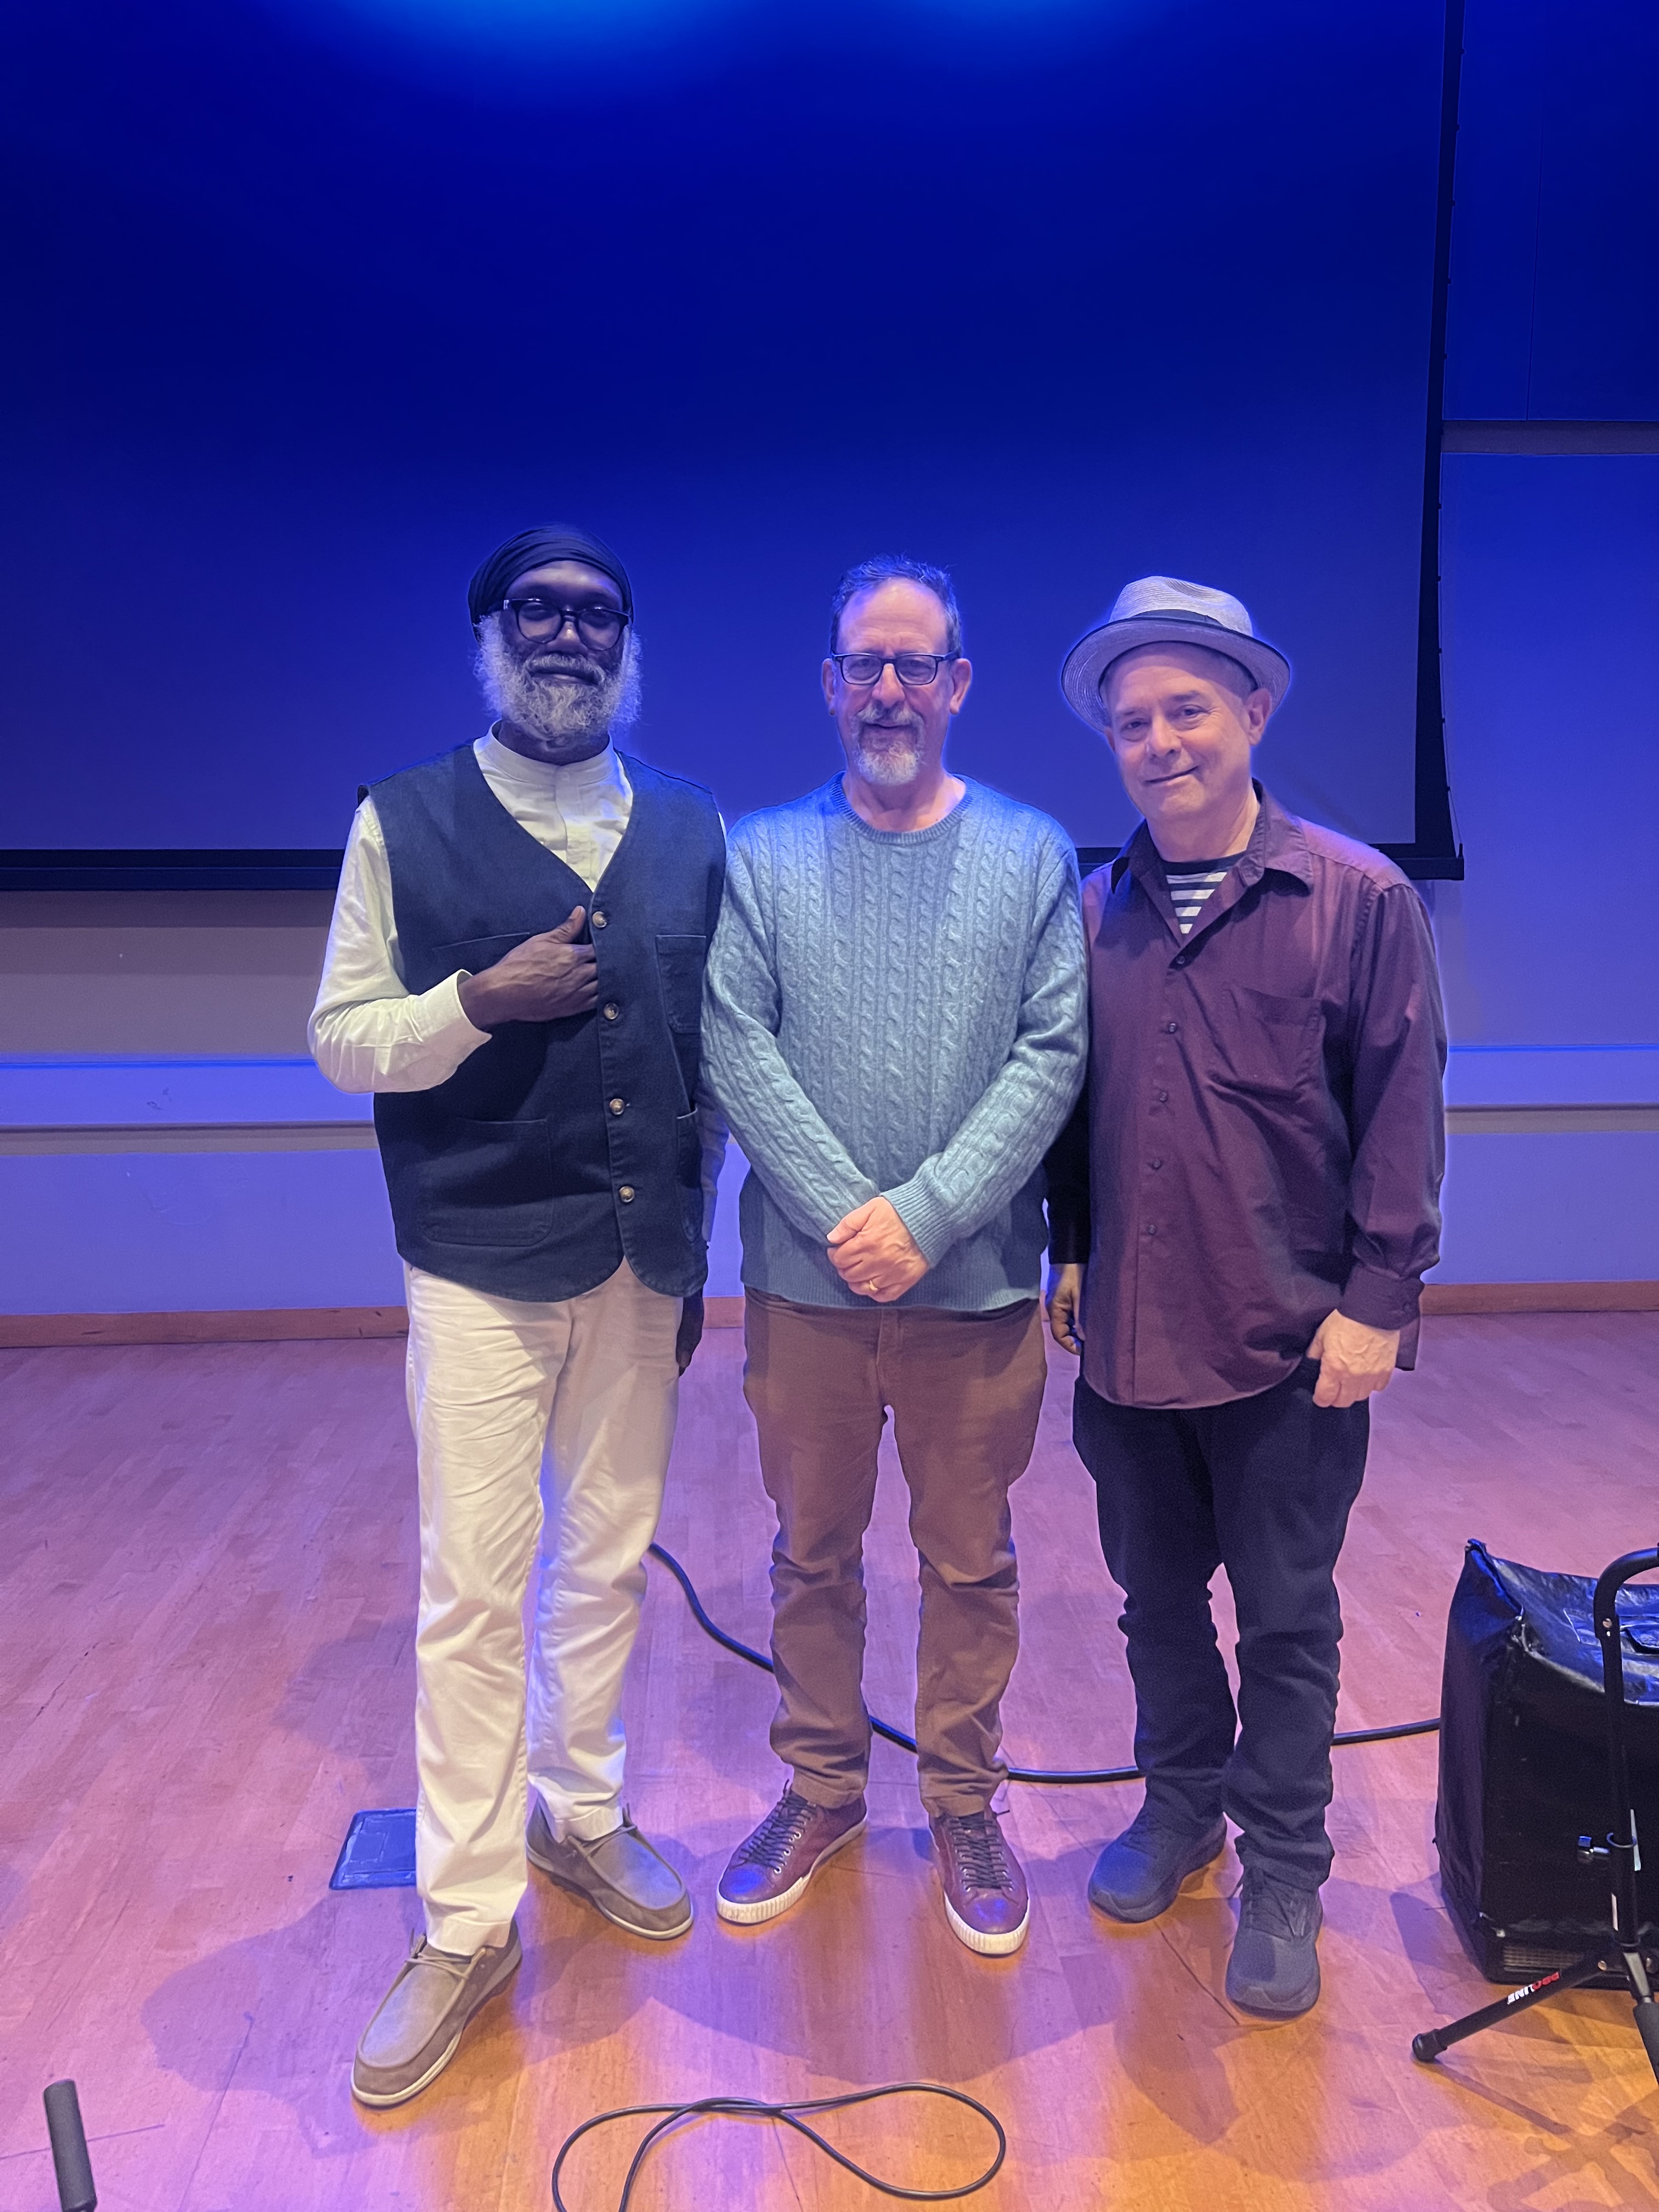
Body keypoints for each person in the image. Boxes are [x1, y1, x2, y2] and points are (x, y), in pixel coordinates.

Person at [309, 524, 725, 2106]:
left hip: (642, 1260)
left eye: (597, 614)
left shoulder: (690, 827)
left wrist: (705, 1241)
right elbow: (342, 1039)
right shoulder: (398, 821)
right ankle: (466, 1923)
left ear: (627, 643)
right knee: (475, 1594)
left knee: (608, 1555)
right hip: (476, 1260)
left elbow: (712, 1059)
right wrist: (476, 1003)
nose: (569, 635)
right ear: (489, 633)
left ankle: (582, 1811)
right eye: (538, 610)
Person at [1045, 575, 1446, 2017]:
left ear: (1255, 712)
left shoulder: (1360, 900)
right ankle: (1181, 1806)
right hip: (1127, 1342)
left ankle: (1283, 1868)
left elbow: (1401, 1110)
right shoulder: (1093, 913)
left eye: (1189, 710)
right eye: (1132, 722)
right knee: (1154, 1605)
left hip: (1291, 1345)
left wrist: (1380, 1300)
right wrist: (1069, 1246)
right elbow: (1074, 1104)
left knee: (1285, 1620)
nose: (1160, 742)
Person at [702, 555, 1086, 1957]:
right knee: (811, 1557)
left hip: (973, 1291)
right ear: (829, 683)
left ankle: (964, 1802)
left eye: (915, 663)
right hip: (806, 1293)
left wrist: (926, 1216)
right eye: (864, 662)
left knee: (969, 1564)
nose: (888, 689)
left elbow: (1054, 1054)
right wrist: (841, 1214)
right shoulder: (760, 855)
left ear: (958, 683)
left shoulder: (1033, 855)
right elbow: (733, 1041)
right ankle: (822, 1788)